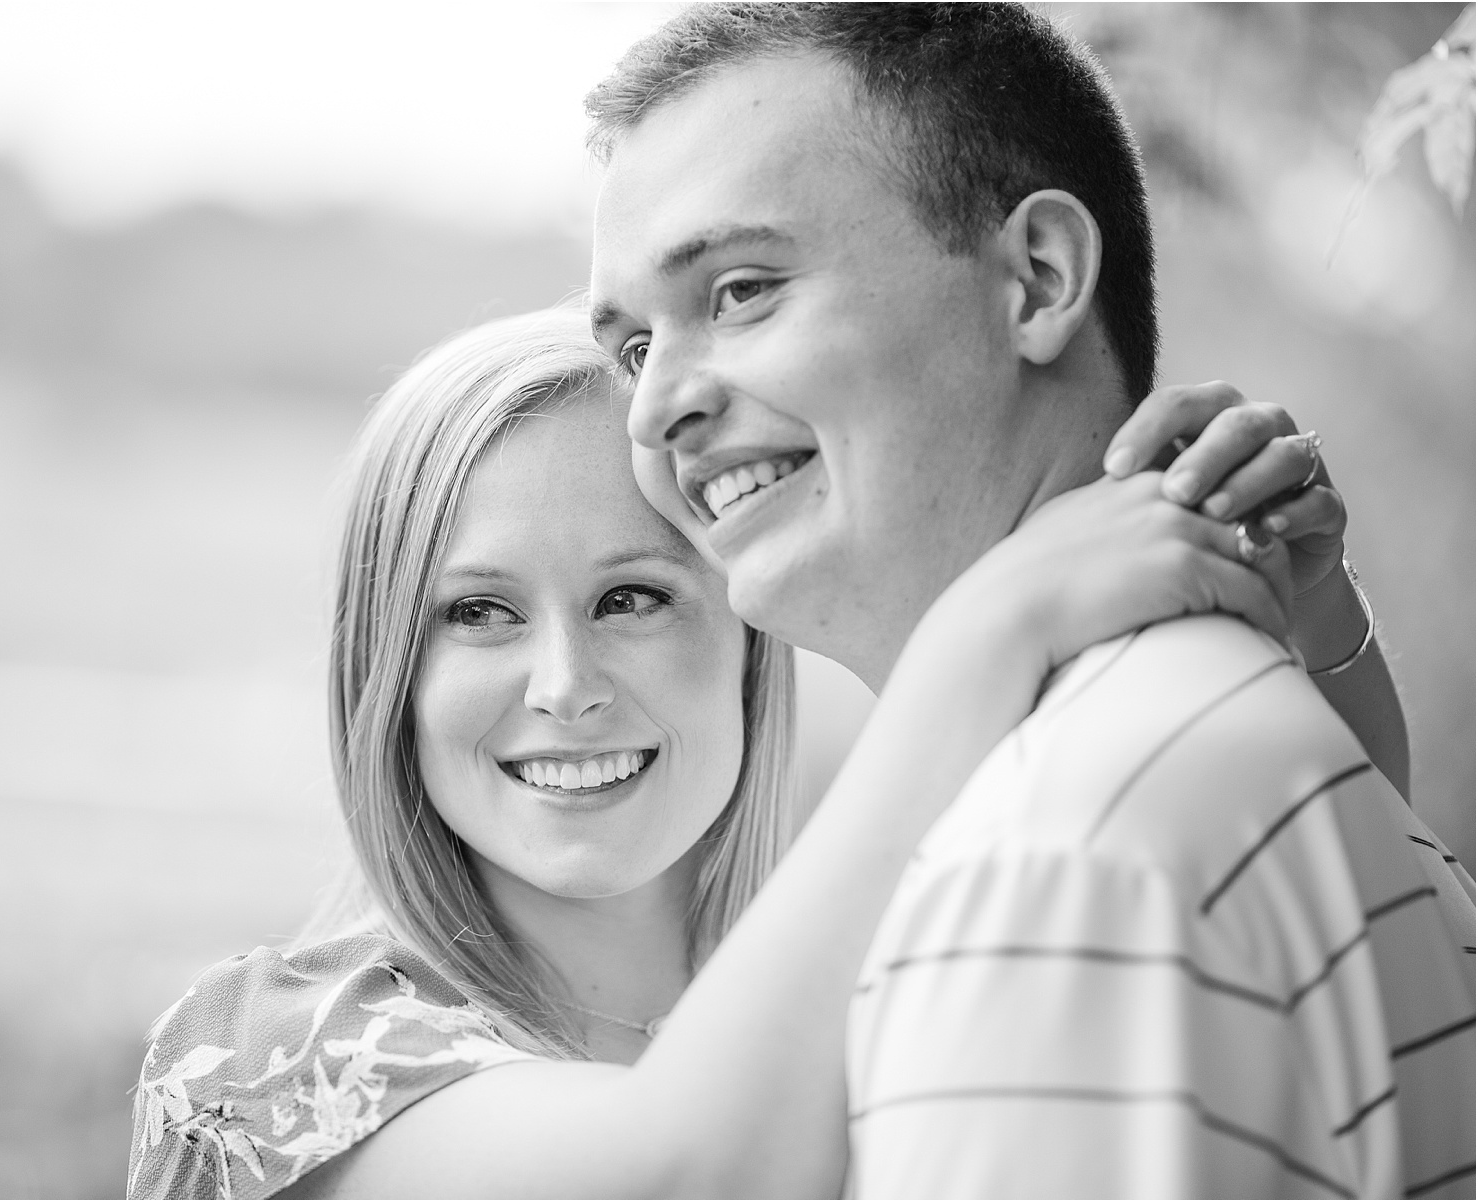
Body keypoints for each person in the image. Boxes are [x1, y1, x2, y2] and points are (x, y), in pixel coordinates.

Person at [128, 305, 1403, 1199]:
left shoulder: (881, 964)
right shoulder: (271, 1052)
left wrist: (1306, 610)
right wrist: (993, 626)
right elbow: (687, 1170)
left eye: (635, 597)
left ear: (745, 642)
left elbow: (1314, 919)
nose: (565, 687)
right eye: (477, 612)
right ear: (387, 674)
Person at [585, 4, 1474, 1197]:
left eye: (740, 289)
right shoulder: (1222, 738)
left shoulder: (1059, 860)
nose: (654, 412)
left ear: (1037, 279)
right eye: (634, 347)